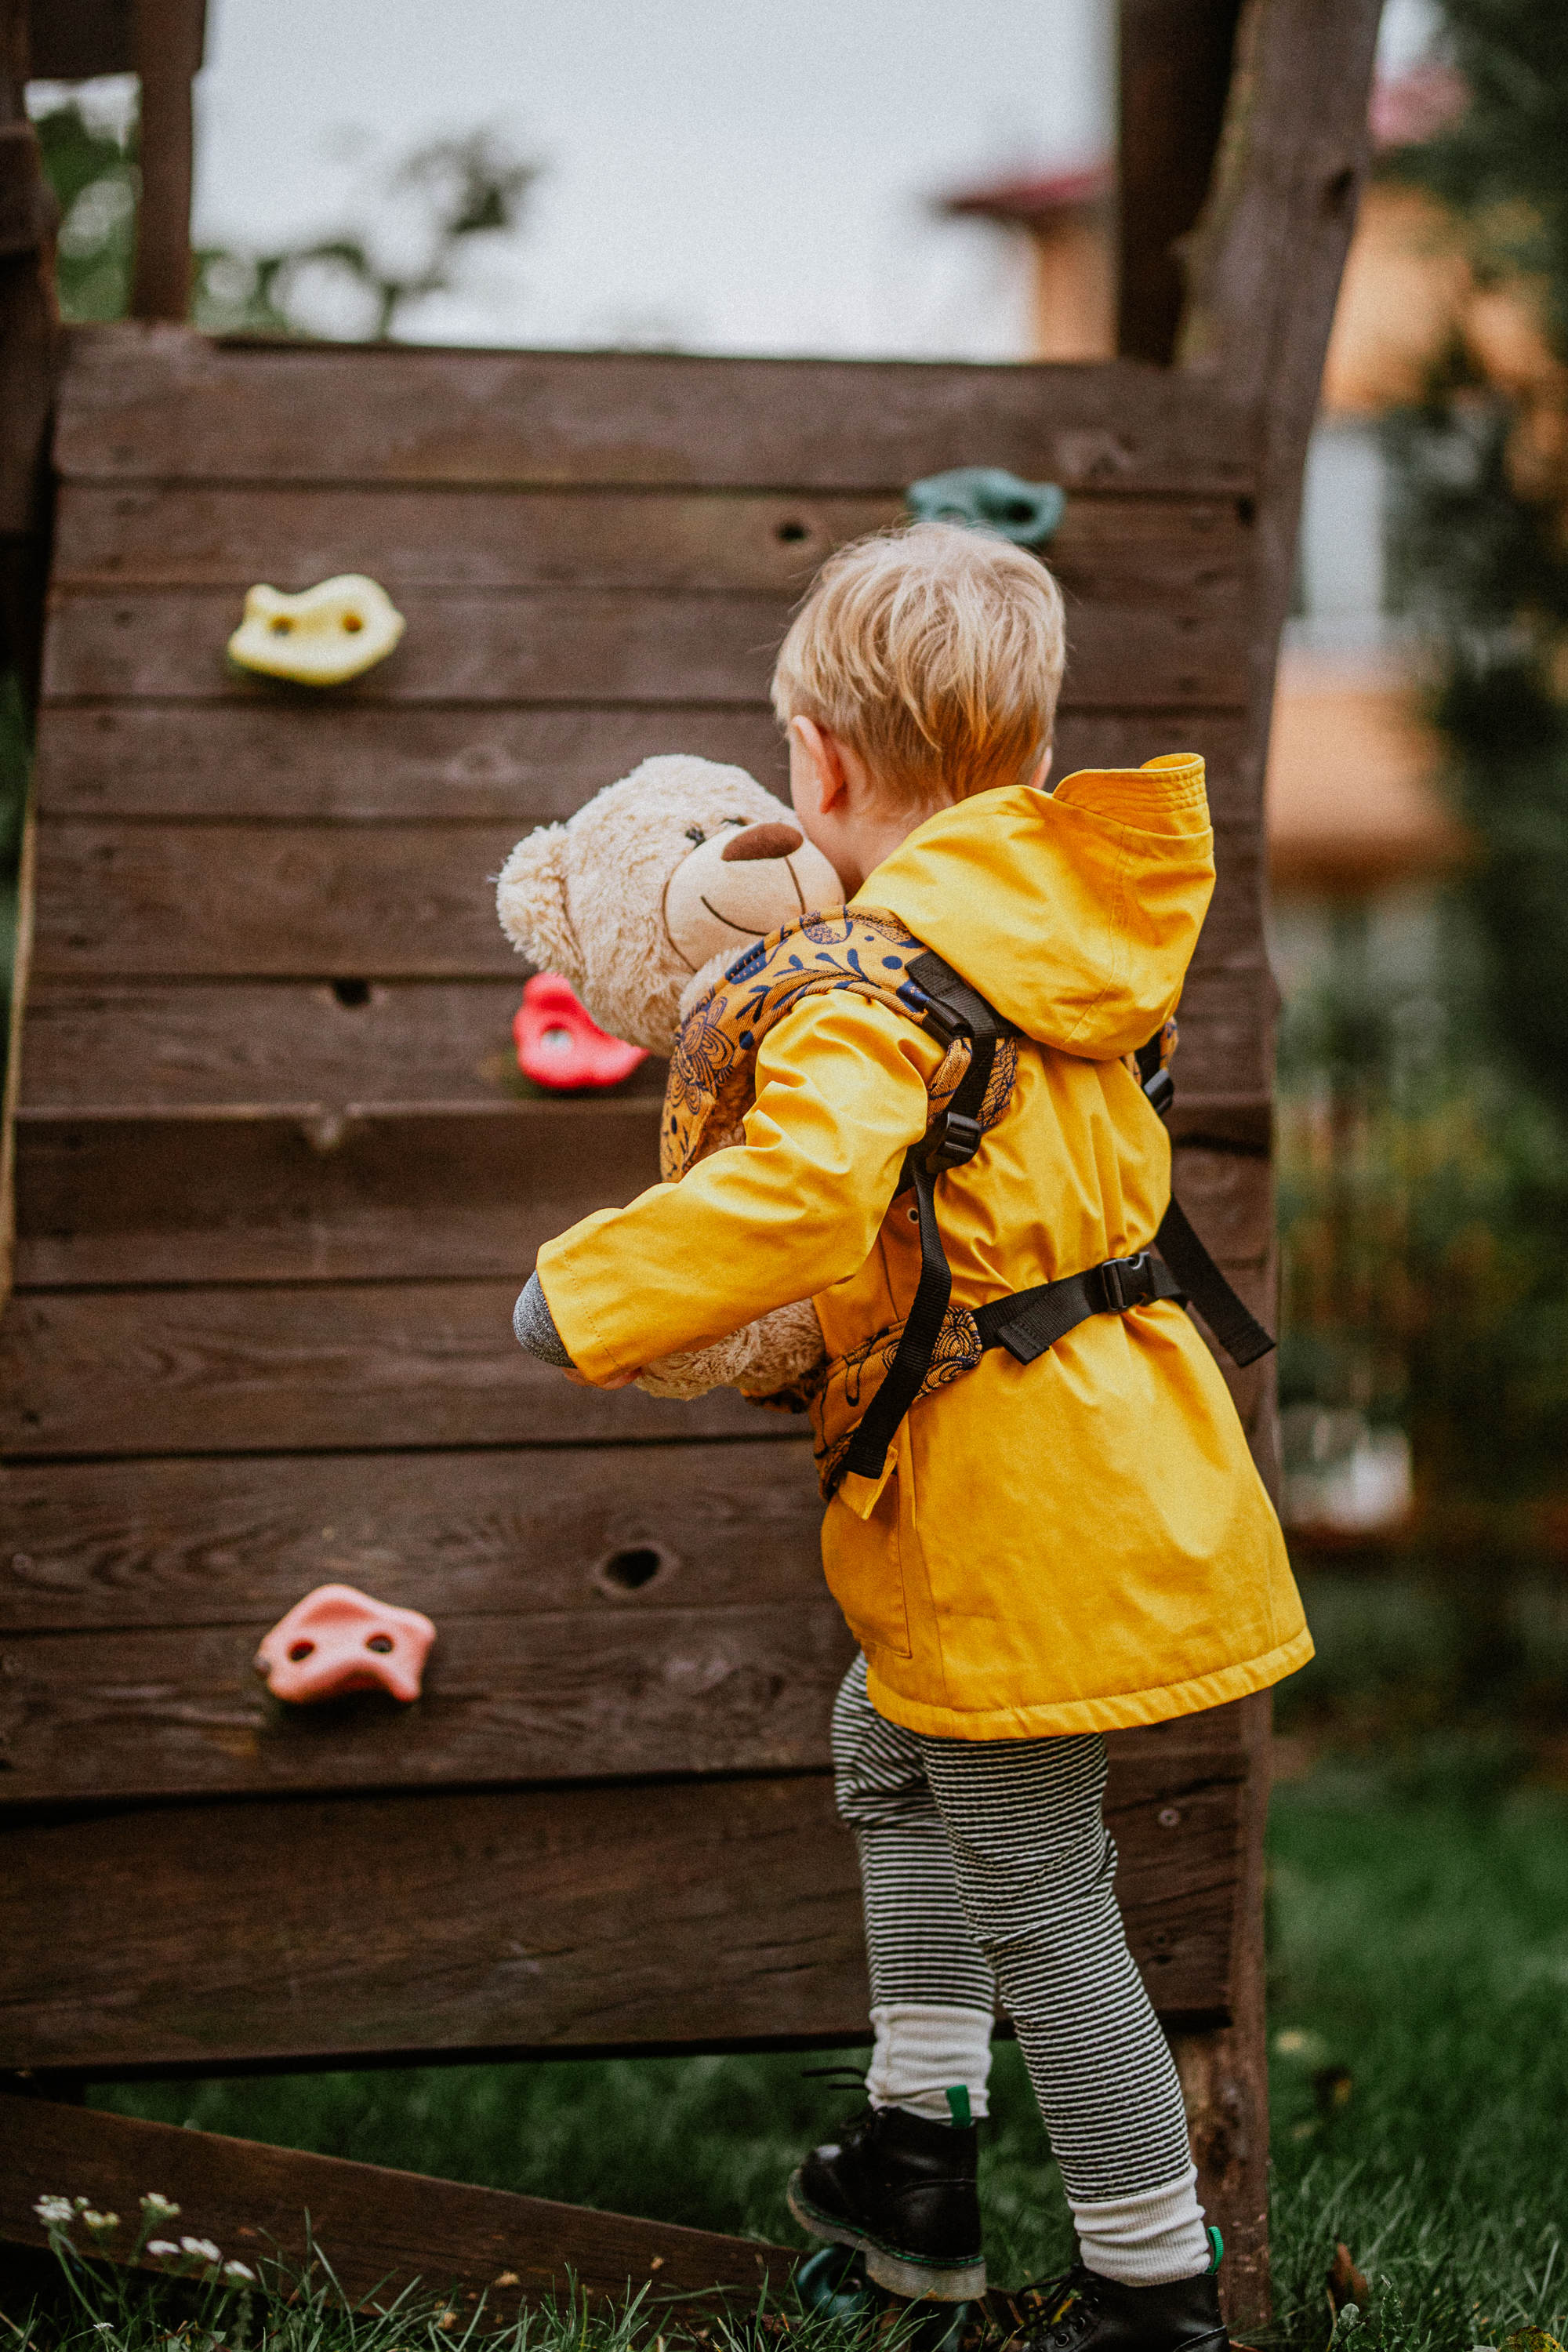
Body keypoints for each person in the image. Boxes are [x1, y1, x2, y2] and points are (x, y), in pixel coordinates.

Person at [513, 523, 1310, 2352]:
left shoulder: (873, 988)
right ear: (1027, 758)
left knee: (1047, 1897)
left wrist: (590, 1288)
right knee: (886, 1739)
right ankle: (917, 2147)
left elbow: (795, 1203)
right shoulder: (1069, 936)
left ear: (820, 766)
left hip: (1015, 1495)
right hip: (1137, 1453)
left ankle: (1149, 2292)